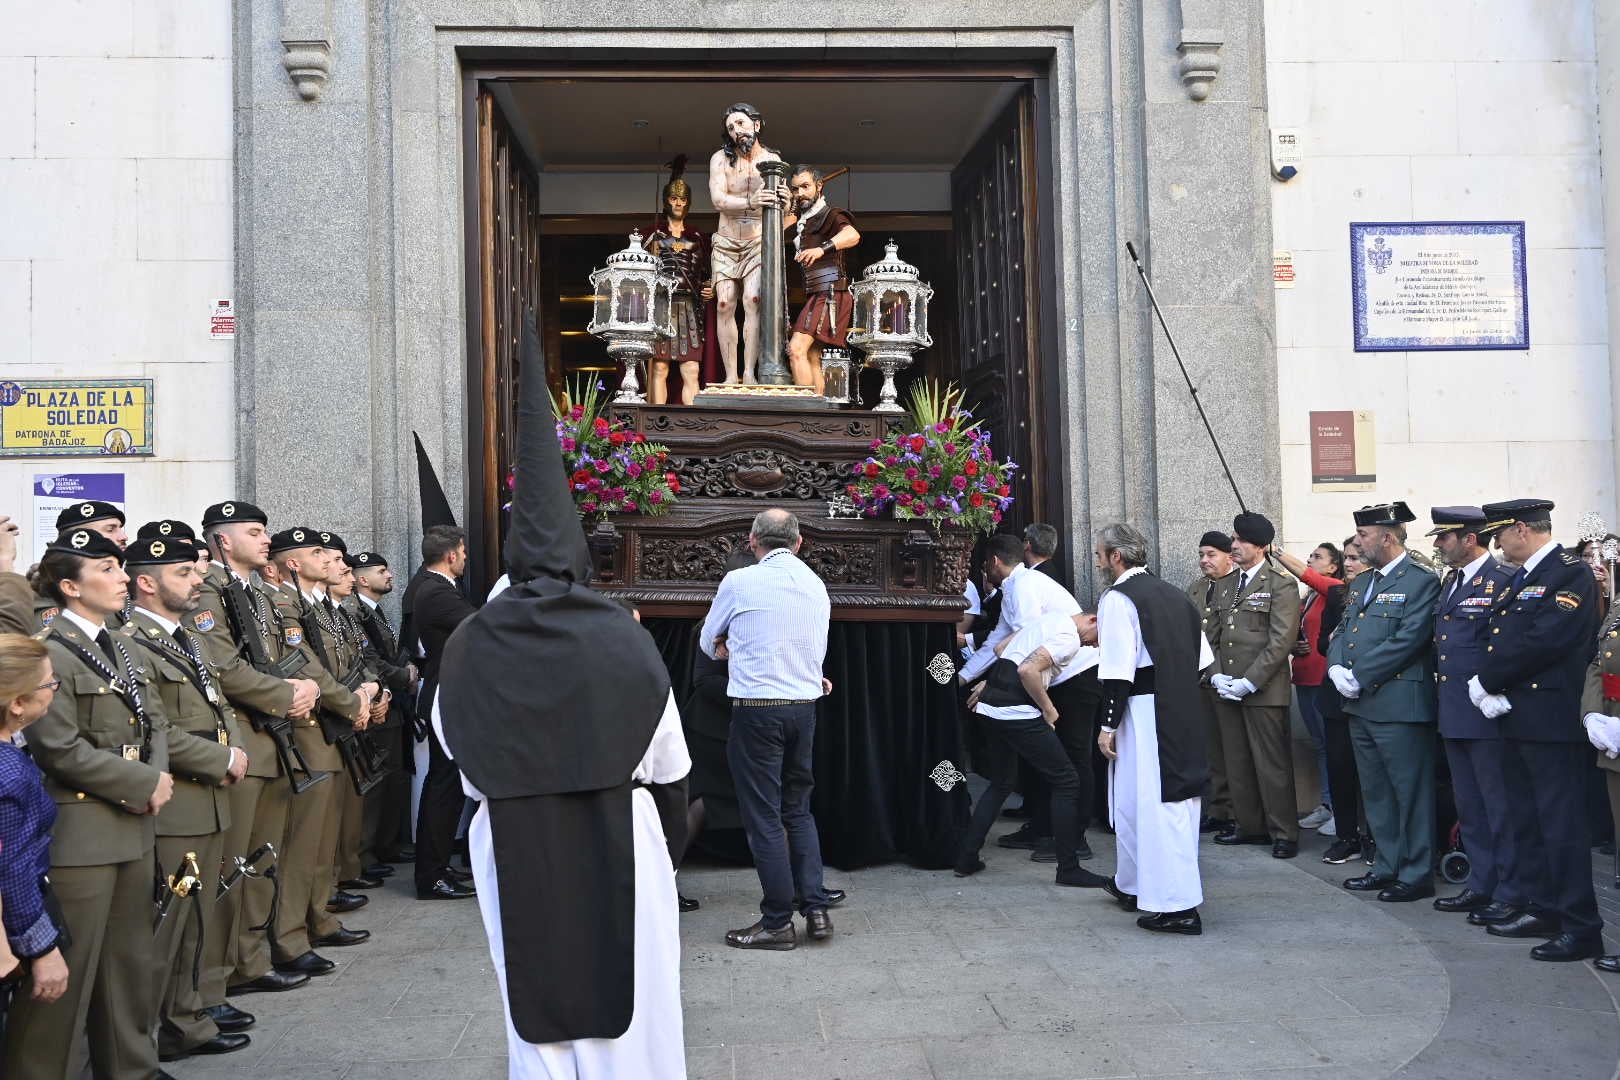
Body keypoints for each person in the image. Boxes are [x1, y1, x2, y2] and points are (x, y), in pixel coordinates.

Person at [438, 317, 689, 1076]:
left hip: (509, 831)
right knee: (637, 996)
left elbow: (457, 748)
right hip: (623, 826)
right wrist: (667, 843)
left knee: (531, 984)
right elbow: (668, 760)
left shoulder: (469, 641)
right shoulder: (620, 637)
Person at [6, 528, 227, 1080]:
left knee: (128, 963)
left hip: (134, 823)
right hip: (83, 833)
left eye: (119, 568)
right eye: (106, 568)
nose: (123, 577)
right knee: (65, 976)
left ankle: (132, 1067)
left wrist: (153, 777)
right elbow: (57, 747)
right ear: (69, 587)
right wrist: (140, 783)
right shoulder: (51, 648)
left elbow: (154, 718)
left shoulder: (122, 643)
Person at [123, 536, 253, 1062]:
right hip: (179, 804)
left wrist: (234, 751)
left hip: (211, 801)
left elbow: (219, 709)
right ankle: (145, 1039)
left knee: (194, 919)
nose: (197, 579)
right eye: (182, 573)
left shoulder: (186, 639)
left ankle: (185, 1020)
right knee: (167, 926)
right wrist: (220, 760)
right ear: (146, 582)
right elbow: (154, 728)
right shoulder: (131, 642)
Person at [193, 501, 320, 1005]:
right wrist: (288, 693)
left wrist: (301, 689)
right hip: (243, 736)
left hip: (273, 738)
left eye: (265, 530)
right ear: (223, 540)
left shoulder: (259, 595)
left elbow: (278, 657)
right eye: (254, 531)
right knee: (231, 868)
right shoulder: (208, 592)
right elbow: (223, 665)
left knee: (261, 862)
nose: (265, 539)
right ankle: (213, 982)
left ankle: (250, 960)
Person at [1473, 499, 1603, 961]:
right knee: (1529, 819)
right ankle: (1545, 907)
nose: (1497, 544)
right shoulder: (1527, 575)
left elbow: (1547, 638)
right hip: (1519, 714)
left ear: (1522, 529)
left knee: (1561, 826)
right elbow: (1502, 634)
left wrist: (1487, 680)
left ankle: (1581, 924)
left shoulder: (1569, 572)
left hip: (1550, 718)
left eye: (1500, 534)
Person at [701, 507, 835, 950]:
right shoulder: (816, 585)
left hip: (758, 711)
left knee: (764, 819)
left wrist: (727, 648)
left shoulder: (739, 582)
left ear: (753, 542)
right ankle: (814, 907)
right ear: (798, 543)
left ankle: (777, 922)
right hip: (804, 709)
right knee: (798, 809)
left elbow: (707, 640)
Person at [1088, 522, 1211, 935]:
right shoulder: (1176, 595)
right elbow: (1202, 661)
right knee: (1138, 801)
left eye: (1100, 554)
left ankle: (1178, 906)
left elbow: (1117, 670)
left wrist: (1107, 724)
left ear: (1116, 557)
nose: (1099, 561)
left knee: (1157, 805)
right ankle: (1136, 884)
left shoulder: (1118, 598)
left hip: (1144, 712)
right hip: (1180, 707)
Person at [264, 528, 375, 978]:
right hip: (308, 729)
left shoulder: (316, 608)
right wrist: (353, 702)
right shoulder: (283, 605)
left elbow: (345, 661)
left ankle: (317, 916)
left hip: (331, 727)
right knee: (302, 844)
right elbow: (306, 666)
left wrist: (370, 690)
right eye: (318, 554)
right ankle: (291, 935)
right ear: (291, 563)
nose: (332, 562)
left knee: (321, 840)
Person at [1325, 501, 1440, 903]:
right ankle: (1386, 865)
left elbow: (1409, 639)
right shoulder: (1362, 583)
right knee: (1376, 792)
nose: (1358, 542)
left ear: (1387, 537)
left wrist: (1360, 675)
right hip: (1360, 704)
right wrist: (1337, 667)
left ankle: (1416, 871)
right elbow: (1342, 631)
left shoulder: (1421, 581)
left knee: (1409, 791)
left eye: (1364, 535)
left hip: (1398, 705)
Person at [951, 607, 1098, 884]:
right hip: (1016, 711)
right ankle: (1068, 869)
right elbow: (1028, 669)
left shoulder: (1047, 620)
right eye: (1101, 635)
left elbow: (1001, 648)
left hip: (990, 707)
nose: (1096, 644)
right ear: (1093, 619)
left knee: (1002, 782)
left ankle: (966, 858)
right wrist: (1048, 709)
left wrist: (995, 682)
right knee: (1067, 781)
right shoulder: (1069, 637)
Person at [959, 534, 1081, 856]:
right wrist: (962, 677)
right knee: (1046, 773)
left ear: (993, 562)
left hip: (1064, 678)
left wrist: (993, 683)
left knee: (1058, 771)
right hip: (1029, 686)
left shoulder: (1026, 586)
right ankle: (1050, 839)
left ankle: (1064, 840)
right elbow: (998, 642)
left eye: (984, 563)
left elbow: (1023, 649)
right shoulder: (1012, 589)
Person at [1425, 507, 1519, 918]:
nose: (1437, 545)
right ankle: (1481, 885)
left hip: (1487, 711)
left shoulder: (1502, 581)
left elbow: (1509, 647)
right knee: (1471, 808)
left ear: (1469, 539)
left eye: (1444, 537)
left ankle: (1510, 890)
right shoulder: (1452, 582)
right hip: (1455, 711)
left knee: (1500, 808)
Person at [1210, 512, 1303, 858]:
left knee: (1271, 765)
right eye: (1233, 539)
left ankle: (1283, 833)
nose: (1233, 546)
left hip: (1263, 689)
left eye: (1240, 541)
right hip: (1227, 686)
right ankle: (1249, 826)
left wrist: (1249, 682)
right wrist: (1217, 674)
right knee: (1237, 761)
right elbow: (1215, 637)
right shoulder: (1225, 584)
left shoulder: (1280, 583)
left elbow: (1281, 641)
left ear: (1261, 546)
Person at [677, 545, 758, 910]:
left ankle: (805, 890)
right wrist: (754, 688)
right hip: (711, 730)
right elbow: (703, 681)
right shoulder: (709, 628)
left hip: (741, 727)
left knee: (777, 805)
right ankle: (661, 883)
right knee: (700, 804)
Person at [404, 524, 479, 901]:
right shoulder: (436, 591)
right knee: (444, 784)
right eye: (463, 553)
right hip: (443, 693)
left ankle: (437, 866)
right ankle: (431, 875)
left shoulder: (439, 588)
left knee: (446, 782)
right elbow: (479, 628)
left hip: (450, 690)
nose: (465, 559)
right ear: (451, 555)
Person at [0, 636, 69, 1023]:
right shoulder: (9, 772)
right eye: (48, 683)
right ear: (17, 703)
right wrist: (43, 950)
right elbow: (12, 870)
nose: (54, 689)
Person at [1271, 542, 1349, 835]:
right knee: (1319, 744)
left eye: (1318, 557)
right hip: (1303, 676)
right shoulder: (1310, 598)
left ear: (1333, 567)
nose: (1310, 560)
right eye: (1311, 556)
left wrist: (1275, 551)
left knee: (1330, 745)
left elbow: (1306, 575)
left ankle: (1336, 808)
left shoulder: (1334, 588)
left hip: (1321, 677)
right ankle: (1326, 802)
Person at [348, 551, 417, 874]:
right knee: (375, 785)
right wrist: (400, 678)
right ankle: (366, 854)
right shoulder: (357, 612)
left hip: (389, 702)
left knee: (393, 779)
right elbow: (371, 660)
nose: (389, 575)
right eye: (381, 570)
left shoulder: (374, 611)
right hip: (374, 704)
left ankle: (386, 846)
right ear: (362, 578)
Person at [707, 103, 782, 384]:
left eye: (740, 123)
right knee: (725, 303)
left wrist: (783, 198)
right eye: (730, 127)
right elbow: (718, 200)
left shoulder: (772, 159)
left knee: (754, 300)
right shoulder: (720, 159)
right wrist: (751, 202)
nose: (736, 131)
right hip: (726, 242)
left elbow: (779, 205)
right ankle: (730, 376)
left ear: (756, 124)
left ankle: (749, 373)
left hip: (756, 242)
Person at [780, 166, 860, 392]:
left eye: (806, 186)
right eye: (796, 189)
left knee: (796, 350)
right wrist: (788, 206)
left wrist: (821, 250)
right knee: (813, 355)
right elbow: (775, 229)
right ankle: (818, 412)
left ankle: (805, 413)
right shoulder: (803, 218)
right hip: (820, 293)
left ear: (819, 186)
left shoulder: (830, 214)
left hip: (831, 292)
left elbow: (852, 235)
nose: (800, 193)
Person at [1319, 538, 1369, 865]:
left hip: (1369, 692)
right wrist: (1335, 641)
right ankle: (1347, 835)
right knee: (1339, 767)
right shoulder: (1338, 595)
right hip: (1335, 692)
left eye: (1356, 557)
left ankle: (1374, 836)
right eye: (1347, 557)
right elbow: (1324, 641)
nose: (1349, 563)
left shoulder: (1379, 592)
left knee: (1370, 773)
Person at [642, 167, 711, 405]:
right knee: (659, 368)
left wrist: (709, 287)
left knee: (691, 369)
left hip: (689, 306)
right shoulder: (653, 238)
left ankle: (690, 423)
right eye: (674, 198)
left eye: (683, 199)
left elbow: (706, 274)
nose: (679, 203)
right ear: (666, 201)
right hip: (662, 304)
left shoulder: (698, 239)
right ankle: (657, 422)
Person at [1187, 531, 1238, 832]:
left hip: (1229, 679)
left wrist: (1216, 671)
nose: (1204, 560)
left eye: (1211, 555)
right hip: (1203, 680)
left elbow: (1225, 639)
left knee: (1232, 750)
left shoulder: (1238, 587)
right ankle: (1218, 809)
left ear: (1229, 556)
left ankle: (1235, 812)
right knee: (1212, 750)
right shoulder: (1196, 589)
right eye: (1201, 555)